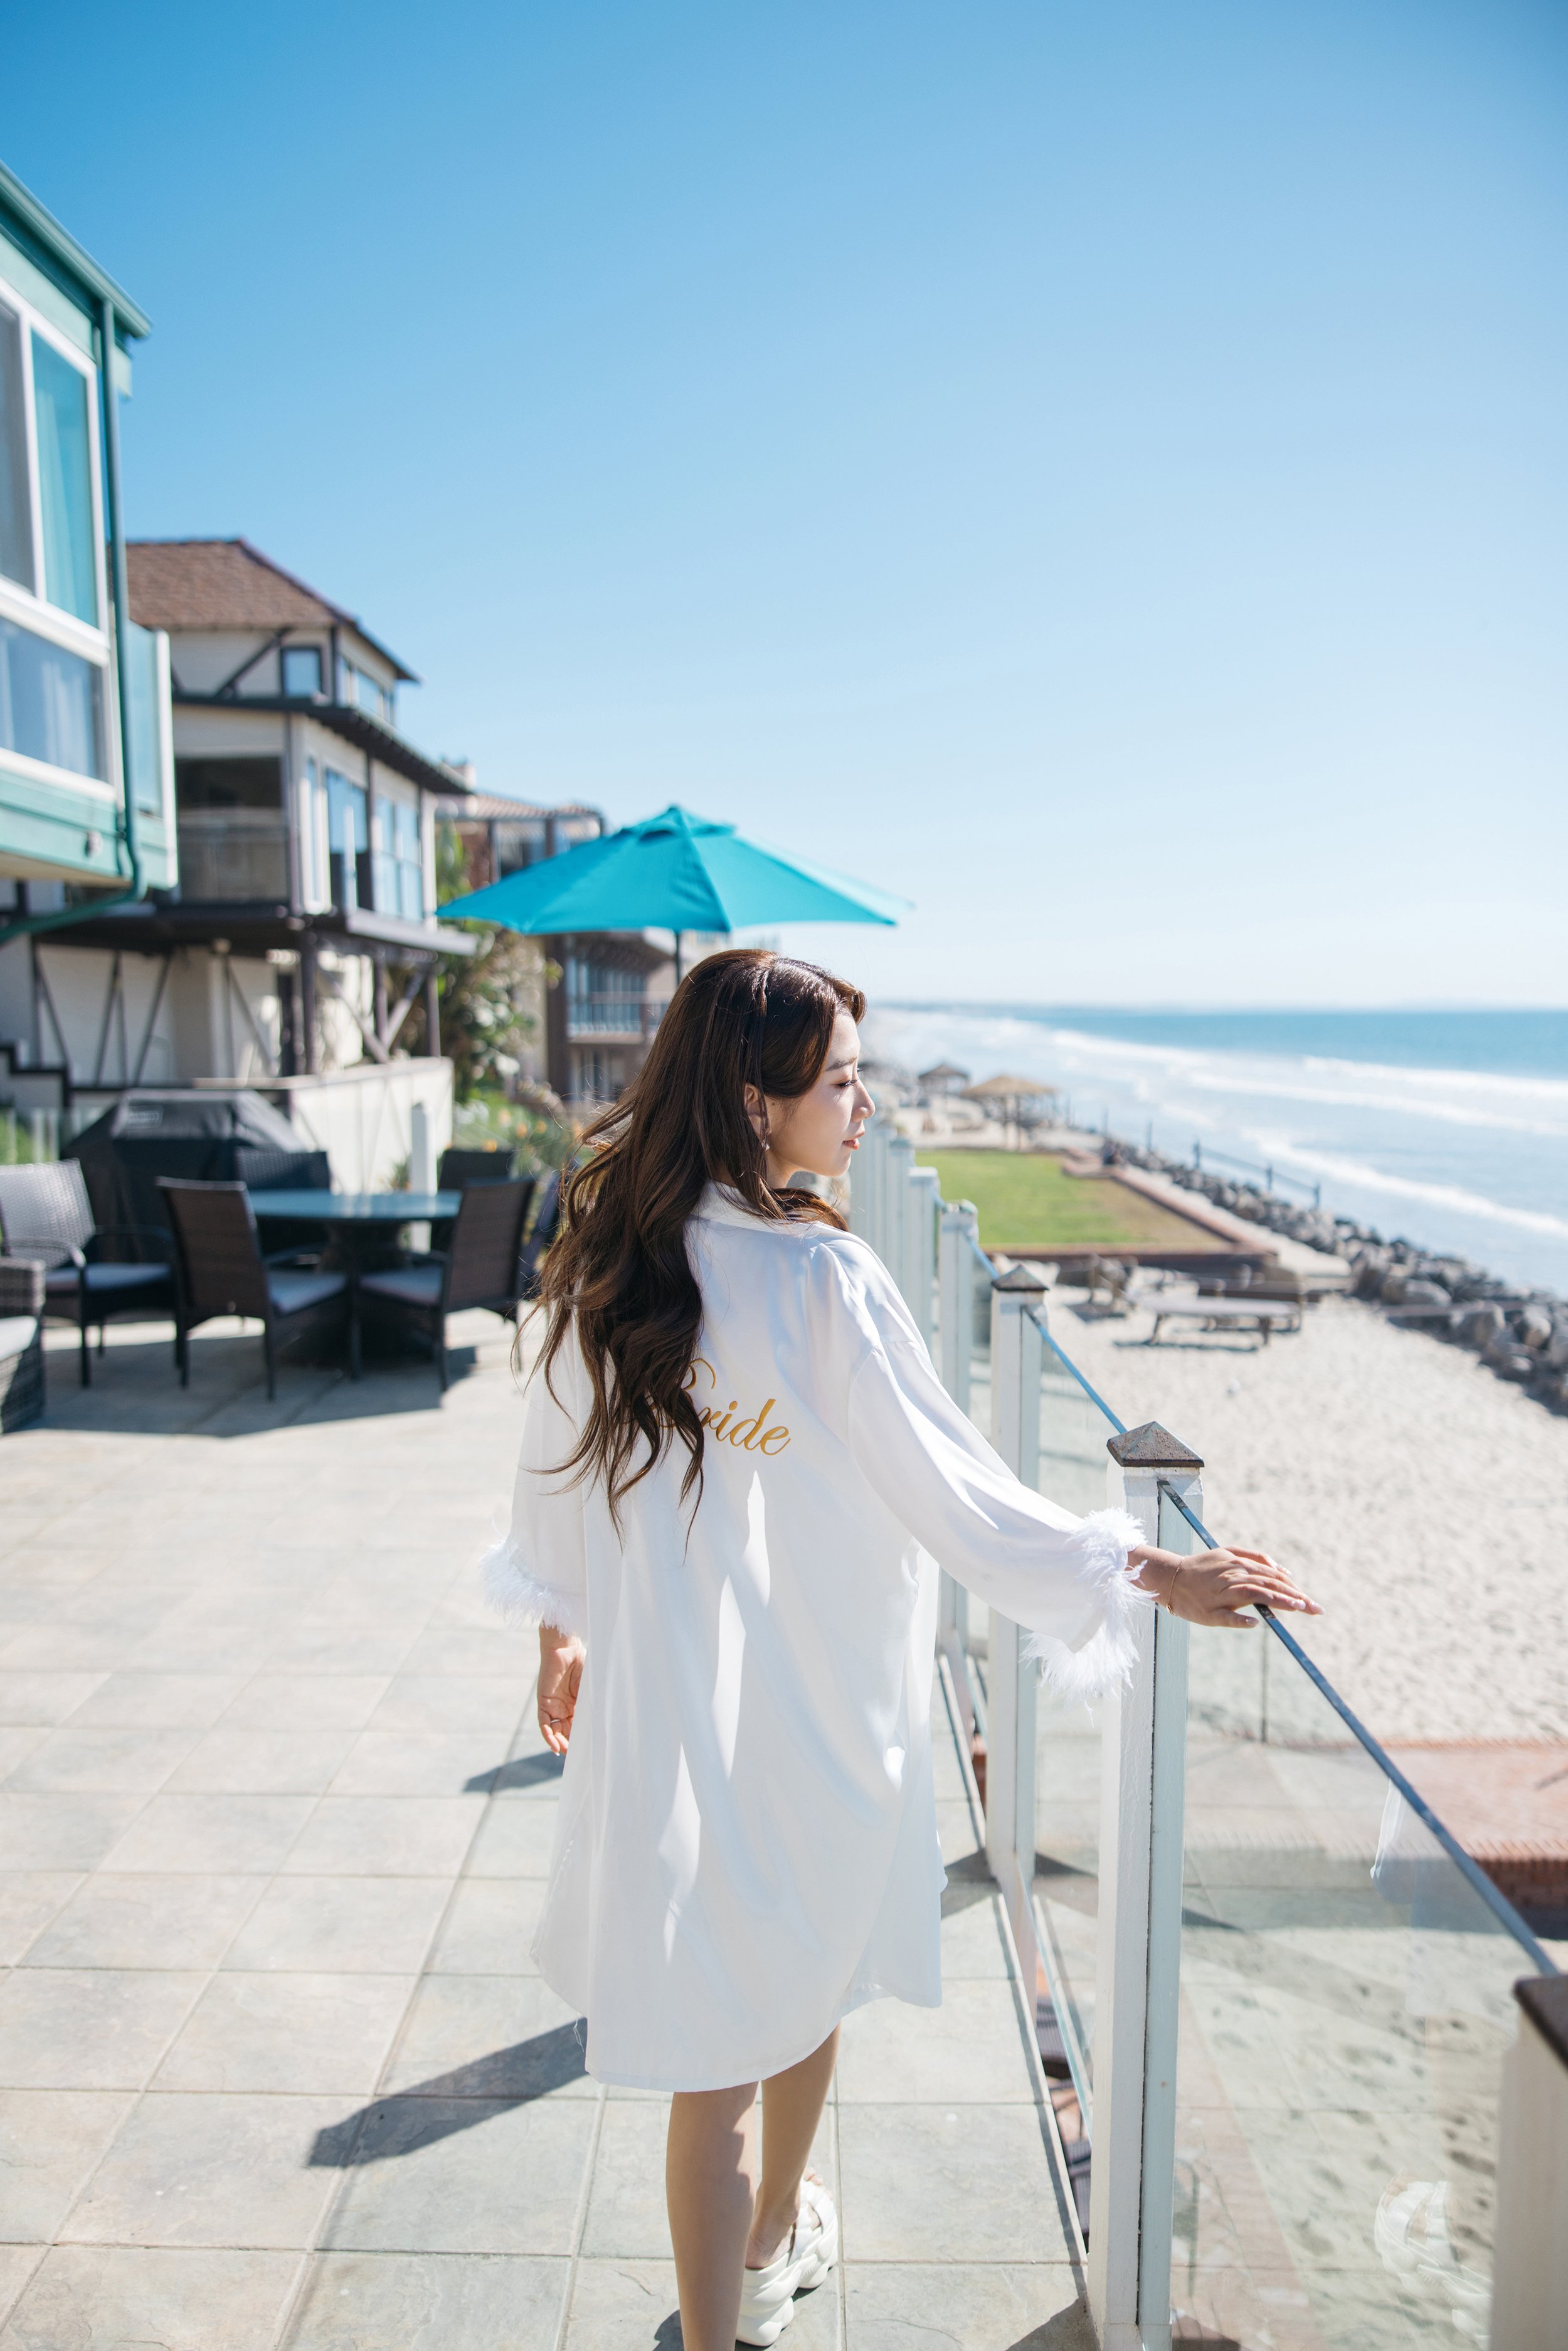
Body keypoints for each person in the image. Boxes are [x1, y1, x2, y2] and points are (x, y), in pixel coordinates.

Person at [484, 948, 1318, 2350]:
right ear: (759, 1105)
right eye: (844, 1082)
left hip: (679, 1711)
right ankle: (758, 2249)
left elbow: (552, 1469)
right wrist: (1145, 1563)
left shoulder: (614, 1259)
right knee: (803, 1976)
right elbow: (958, 1490)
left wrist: (563, 1628)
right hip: (816, 1707)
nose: (866, 1106)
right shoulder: (823, 1279)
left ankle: (731, 2298)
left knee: (716, 2053)